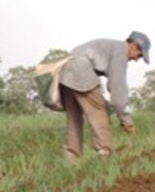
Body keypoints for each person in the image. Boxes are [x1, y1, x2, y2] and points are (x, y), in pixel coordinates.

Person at [58, 31, 150, 161]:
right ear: (134, 46)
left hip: (65, 71)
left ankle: (71, 159)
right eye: (139, 55)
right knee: (99, 110)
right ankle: (103, 154)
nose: (136, 59)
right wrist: (125, 118)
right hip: (80, 69)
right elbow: (117, 86)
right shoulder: (120, 52)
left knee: (74, 116)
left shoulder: (113, 46)